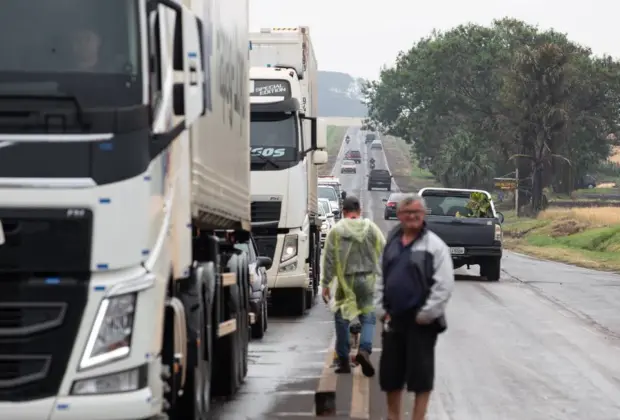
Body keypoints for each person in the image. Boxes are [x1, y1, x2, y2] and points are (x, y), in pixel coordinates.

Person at [375, 193, 454, 420]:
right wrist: (381, 311)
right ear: (399, 215)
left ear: (424, 215)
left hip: (422, 323)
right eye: (408, 212)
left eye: (417, 213)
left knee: (421, 378)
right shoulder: (391, 243)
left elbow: (444, 285)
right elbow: (379, 277)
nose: (412, 217)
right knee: (391, 376)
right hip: (393, 320)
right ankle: (393, 417)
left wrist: (427, 314)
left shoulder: (435, 246)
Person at [321, 195, 386, 376]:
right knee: (368, 318)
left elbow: (329, 259)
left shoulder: (336, 230)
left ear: (343, 212)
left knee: (342, 321)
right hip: (367, 280)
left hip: (345, 282)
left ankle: (343, 361)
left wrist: (326, 283)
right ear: (360, 211)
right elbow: (385, 250)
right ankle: (364, 350)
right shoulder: (370, 228)